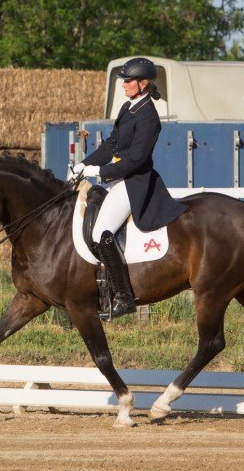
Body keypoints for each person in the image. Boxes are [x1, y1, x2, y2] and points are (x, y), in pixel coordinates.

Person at [71, 57, 187, 319]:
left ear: (143, 84)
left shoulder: (148, 116)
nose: (123, 84)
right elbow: (111, 145)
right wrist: (83, 165)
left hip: (135, 182)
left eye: (128, 80)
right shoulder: (128, 107)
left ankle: (123, 297)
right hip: (118, 179)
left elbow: (136, 160)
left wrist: (100, 171)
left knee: (102, 232)